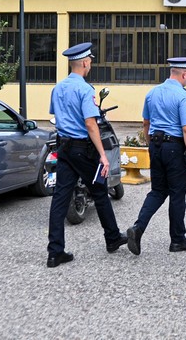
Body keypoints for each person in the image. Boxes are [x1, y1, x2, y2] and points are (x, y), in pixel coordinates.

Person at [47, 42, 127, 268]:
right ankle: (112, 239)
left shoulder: (58, 88)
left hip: (63, 147)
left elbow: (55, 113)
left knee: (60, 198)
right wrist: (102, 154)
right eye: (89, 61)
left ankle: (55, 252)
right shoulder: (85, 89)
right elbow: (91, 124)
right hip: (83, 149)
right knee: (100, 191)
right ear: (83, 63)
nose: (90, 64)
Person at [127, 57, 186, 255]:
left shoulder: (152, 93)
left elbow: (146, 124)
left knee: (157, 191)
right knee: (177, 194)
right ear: (185, 74)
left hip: (156, 146)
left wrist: (153, 147)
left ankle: (138, 227)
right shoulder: (184, 96)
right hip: (175, 149)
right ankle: (177, 240)